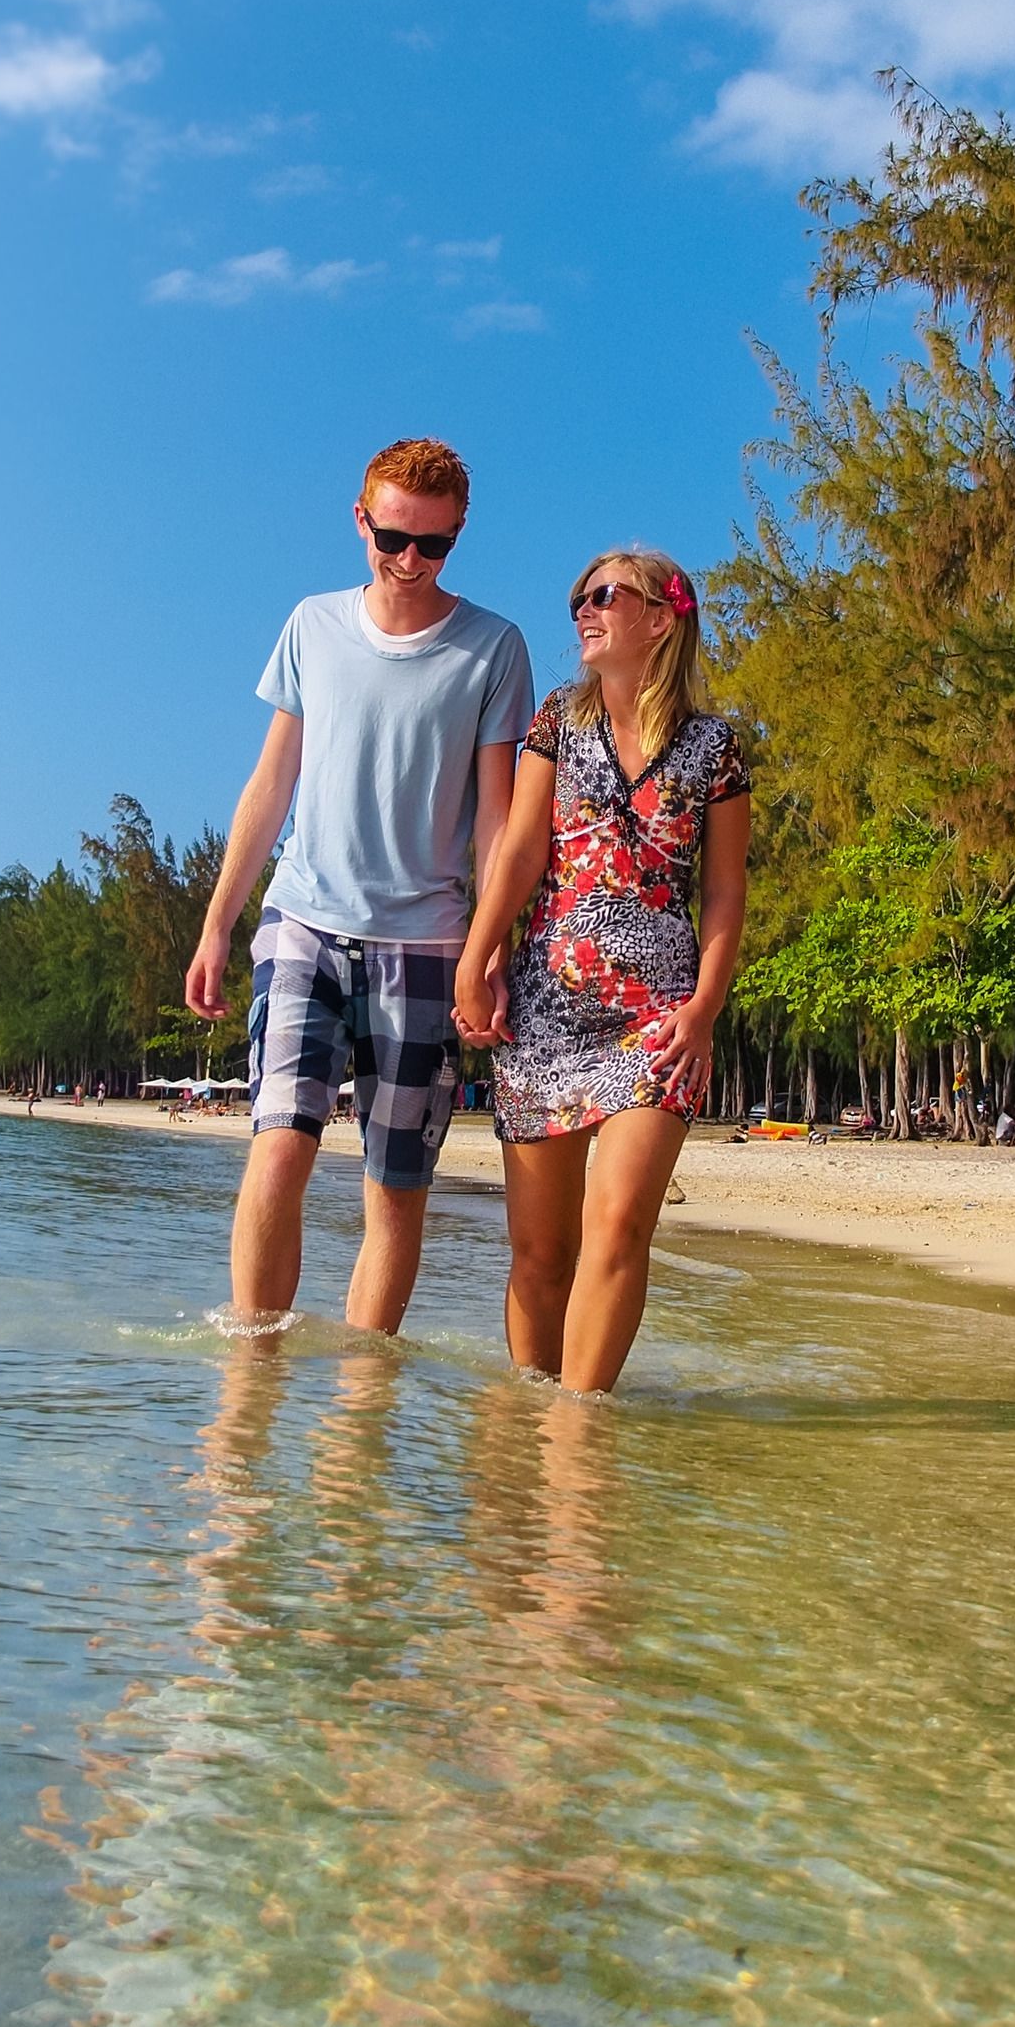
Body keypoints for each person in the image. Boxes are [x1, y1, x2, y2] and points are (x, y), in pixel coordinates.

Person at [184, 438, 536, 1333]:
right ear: (360, 520)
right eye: (393, 539)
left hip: (427, 941)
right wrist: (218, 923)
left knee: (396, 1190)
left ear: (458, 533)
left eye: (434, 545)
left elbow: (498, 819)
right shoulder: (312, 624)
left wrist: (489, 949)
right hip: (303, 920)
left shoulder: (494, 648)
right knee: (279, 1149)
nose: (410, 562)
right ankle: (247, 1399)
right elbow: (271, 786)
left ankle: (355, 1425)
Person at [456, 547, 752, 1393]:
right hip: (545, 1011)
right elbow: (518, 852)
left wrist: (702, 1010)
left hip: (659, 1018)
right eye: (579, 597)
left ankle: (581, 1428)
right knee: (542, 1254)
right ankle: (528, 1419)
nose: (583, 610)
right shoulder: (557, 722)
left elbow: (726, 897)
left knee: (618, 1225)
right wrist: (480, 957)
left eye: (604, 596)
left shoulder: (714, 750)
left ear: (660, 617)